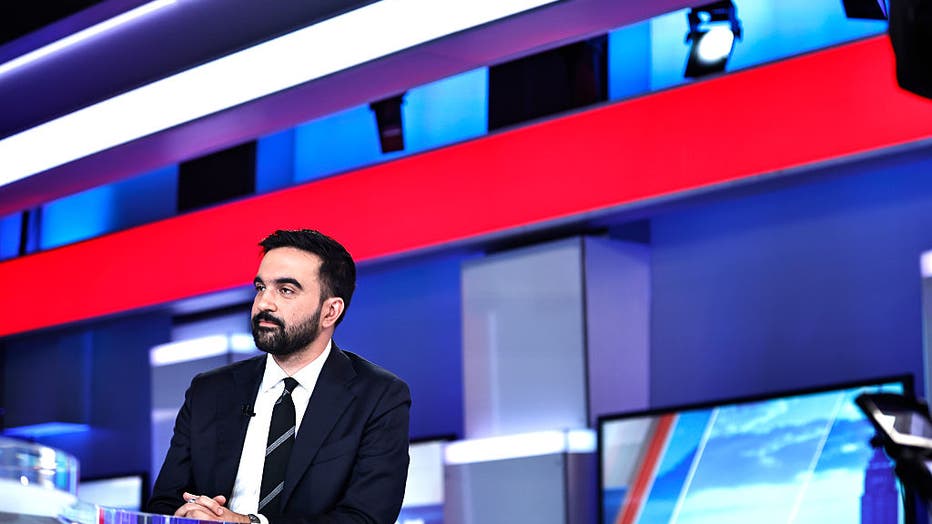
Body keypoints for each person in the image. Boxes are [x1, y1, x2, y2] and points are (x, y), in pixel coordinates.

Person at [148, 229, 411, 524]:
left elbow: (366, 519)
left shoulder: (379, 396)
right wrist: (188, 515)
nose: (263, 304)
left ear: (330, 312)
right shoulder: (208, 391)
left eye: (286, 290)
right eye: (261, 287)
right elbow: (164, 503)